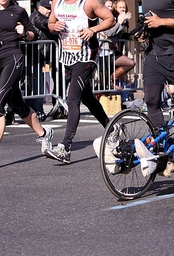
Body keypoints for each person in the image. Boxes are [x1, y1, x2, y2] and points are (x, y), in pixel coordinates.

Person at [44, 0, 115, 163]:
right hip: (67, 56)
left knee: (72, 100)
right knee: (87, 98)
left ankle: (65, 148)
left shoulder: (89, 3)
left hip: (86, 57)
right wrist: (54, 27)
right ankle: (112, 128)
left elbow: (110, 19)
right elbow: (51, 23)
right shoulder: (57, 2)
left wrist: (93, 30)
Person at [0, 0, 54, 152]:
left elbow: (33, 34)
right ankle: (44, 134)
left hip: (12, 58)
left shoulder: (18, 11)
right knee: (17, 104)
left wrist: (24, 32)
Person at [26, 0, 62, 121]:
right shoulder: (36, 16)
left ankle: (57, 107)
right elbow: (45, 23)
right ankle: (37, 111)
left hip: (47, 53)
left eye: (50, 8)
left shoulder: (46, 16)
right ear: (40, 7)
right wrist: (56, 22)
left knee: (55, 79)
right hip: (35, 55)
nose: (49, 11)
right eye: (47, 8)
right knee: (37, 84)